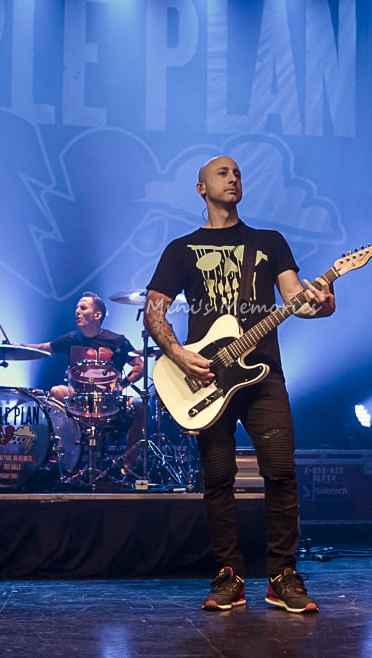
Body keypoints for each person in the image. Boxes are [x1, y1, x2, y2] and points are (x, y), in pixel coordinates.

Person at [144, 155, 335, 614]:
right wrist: (180, 355)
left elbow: (297, 301)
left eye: (238, 174)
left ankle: (282, 576)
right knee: (218, 479)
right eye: (223, 173)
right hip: (206, 377)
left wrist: (324, 303)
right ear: (201, 188)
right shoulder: (181, 249)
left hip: (263, 373)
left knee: (281, 473)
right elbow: (153, 311)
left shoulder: (269, 241)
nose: (233, 178)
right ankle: (228, 575)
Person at [24, 292, 145, 403]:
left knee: (139, 404)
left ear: (97, 315)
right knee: (57, 391)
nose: (77, 311)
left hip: (109, 398)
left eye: (83, 308)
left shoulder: (117, 341)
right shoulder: (71, 339)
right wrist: (18, 348)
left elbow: (139, 365)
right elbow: (42, 349)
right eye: (77, 308)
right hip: (77, 396)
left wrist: (122, 385)